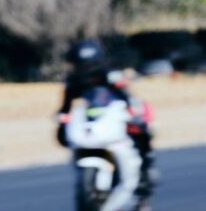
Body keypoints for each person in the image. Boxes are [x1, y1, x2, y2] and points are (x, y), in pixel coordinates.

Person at [57, 39, 155, 195]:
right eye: (80, 65)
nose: (84, 70)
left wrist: (134, 113)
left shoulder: (111, 76)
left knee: (140, 130)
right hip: (92, 117)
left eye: (87, 65)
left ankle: (145, 167)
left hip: (114, 112)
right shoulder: (73, 82)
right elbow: (65, 107)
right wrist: (62, 122)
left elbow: (127, 96)